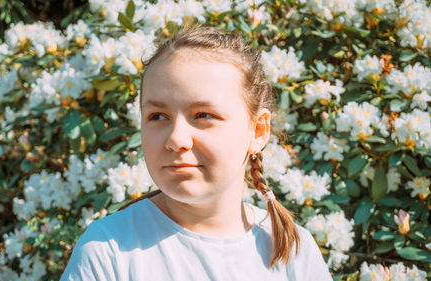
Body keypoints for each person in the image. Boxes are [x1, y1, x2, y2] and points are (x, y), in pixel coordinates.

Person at [60, 26, 333, 281]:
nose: (176, 139)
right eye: (157, 116)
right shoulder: (108, 251)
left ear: (258, 131)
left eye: (203, 115)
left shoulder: (294, 251)